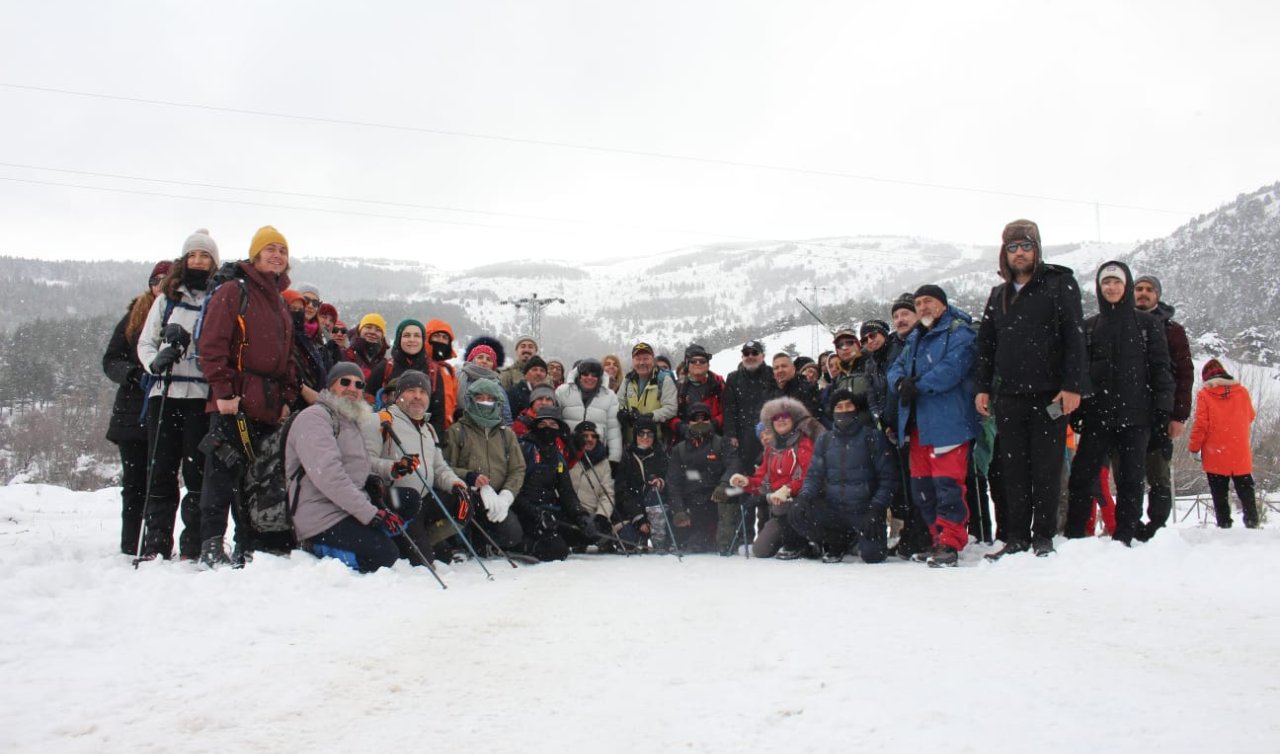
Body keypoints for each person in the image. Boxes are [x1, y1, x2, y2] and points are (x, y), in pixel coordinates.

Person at [975, 219, 1087, 559]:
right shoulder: (999, 295)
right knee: (1014, 470)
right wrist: (982, 388)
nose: (1019, 253)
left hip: (1049, 394)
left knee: (1047, 467)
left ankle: (1043, 537)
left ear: (1037, 249)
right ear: (1003, 254)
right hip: (1008, 397)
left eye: (1026, 246)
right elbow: (986, 346)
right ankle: (1017, 537)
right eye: (1012, 248)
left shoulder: (1059, 284)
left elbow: (1075, 337)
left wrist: (1072, 386)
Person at [196, 225, 299, 567]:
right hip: (233, 402)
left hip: (267, 406)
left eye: (282, 251)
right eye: (269, 249)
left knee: (254, 478)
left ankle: (246, 542)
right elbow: (211, 346)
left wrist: (285, 397)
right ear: (255, 255)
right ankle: (211, 543)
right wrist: (223, 392)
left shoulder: (280, 303)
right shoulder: (233, 291)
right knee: (221, 473)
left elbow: (287, 359)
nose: (276, 255)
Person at [1063, 262, 1173, 545]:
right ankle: (1075, 535)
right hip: (1097, 417)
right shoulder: (1089, 327)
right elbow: (1080, 373)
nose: (1111, 287)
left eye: (1116, 282)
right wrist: (1080, 410)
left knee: (1131, 479)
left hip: (1137, 417)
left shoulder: (1148, 325)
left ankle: (1125, 534)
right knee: (1082, 476)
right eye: (1106, 283)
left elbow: (1162, 370)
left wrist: (1163, 411)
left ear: (1126, 286)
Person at [135, 230, 218, 560]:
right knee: (161, 471)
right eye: (193, 255)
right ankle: (155, 545)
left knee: (197, 474)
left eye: (205, 256)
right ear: (184, 261)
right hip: (165, 392)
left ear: (213, 262)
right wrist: (155, 362)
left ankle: (193, 545)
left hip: (199, 396)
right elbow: (145, 342)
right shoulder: (166, 300)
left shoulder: (218, 299)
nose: (198, 261)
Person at [287, 363, 415, 573]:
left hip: (348, 505)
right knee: (384, 555)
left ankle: (371, 538)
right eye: (344, 382)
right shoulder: (315, 418)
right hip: (321, 514)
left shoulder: (348, 421)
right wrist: (371, 513)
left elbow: (360, 462)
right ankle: (318, 548)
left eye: (359, 384)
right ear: (330, 387)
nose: (352, 388)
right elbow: (329, 476)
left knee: (409, 499)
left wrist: (386, 470)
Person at [887, 285, 980, 566]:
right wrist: (902, 383)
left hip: (948, 422)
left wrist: (918, 385)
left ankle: (951, 542)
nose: (923, 307)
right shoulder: (915, 338)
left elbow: (953, 369)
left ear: (942, 303)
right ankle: (935, 538)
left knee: (947, 485)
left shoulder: (959, 331)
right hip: (917, 426)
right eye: (918, 303)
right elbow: (895, 369)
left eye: (928, 301)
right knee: (923, 488)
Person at [102, 260, 169, 556]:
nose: (162, 286)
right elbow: (110, 360)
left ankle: (154, 544)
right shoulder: (134, 317)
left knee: (160, 482)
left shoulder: (178, 315)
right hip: (132, 413)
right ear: (150, 284)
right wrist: (133, 374)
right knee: (134, 485)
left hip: (167, 410)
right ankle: (130, 545)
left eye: (169, 280)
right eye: (158, 280)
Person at [790, 390, 898, 563]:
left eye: (849, 405)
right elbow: (814, 475)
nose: (844, 410)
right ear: (833, 412)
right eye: (839, 407)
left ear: (856, 409)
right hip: (833, 509)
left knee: (873, 556)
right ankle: (836, 540)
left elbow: (888, 479)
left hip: (864, 510)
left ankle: (858, 538)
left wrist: (876, 508)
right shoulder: (824, 440)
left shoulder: (872, 437)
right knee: (798, 513)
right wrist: (804, 496)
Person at [378, 369, 470, 563]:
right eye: (411, 390)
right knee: (424, 563)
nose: (417, 396)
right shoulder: (382, 420)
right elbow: (366, 461)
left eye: (423, 392)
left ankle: (427, 539)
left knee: (467, 500)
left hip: (425, 500)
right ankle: (409, 542)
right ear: (399, 395)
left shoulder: (427, 428)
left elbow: (438, 467)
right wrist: (394, 467)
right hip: (400, 503)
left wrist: (457, 485)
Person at [1132, 274, 1195, 540]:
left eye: (1149, 290)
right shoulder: (1121, 324)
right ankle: (1130, 526)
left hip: (1161, 411)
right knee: (1127, 473)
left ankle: (1157, 528)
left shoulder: (1173, 330)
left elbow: (1184, 373)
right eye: (1138, 289)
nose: (1143, 293)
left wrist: (1179, 415)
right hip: (1127, 411)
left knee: (1157, 474)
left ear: (1158, 295)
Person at [728, 396, 823, 558]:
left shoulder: (804, 443)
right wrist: (746, 482)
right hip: (780, 504)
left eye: (785, 416)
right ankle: (788, 538)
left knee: (784, 507)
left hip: (804, 503)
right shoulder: (770, 450)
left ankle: (805, 543)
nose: (781, 420)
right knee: (761, 550)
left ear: (793, 420)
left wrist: (786, 489)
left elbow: (808, 476)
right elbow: (763, 482)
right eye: (776, 418)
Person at [443, 378, 526, 552]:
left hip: (496, 497)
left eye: (490, 399)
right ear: (471, 400)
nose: (485, 403)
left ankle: (485, 541)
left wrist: (506, 495)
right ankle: (461, 540)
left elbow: (517, 469)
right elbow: (446, 467)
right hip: (467, 495)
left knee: (512, 534)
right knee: (464, 511)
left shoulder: (506, 434)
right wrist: (470, 478)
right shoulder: (457, 431)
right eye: (480, 398)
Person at [512, 406, 596, 560]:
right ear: (536, 426)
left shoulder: (557, 455)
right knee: (557, 551)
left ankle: (552, 537)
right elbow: (514, 491)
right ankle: (522, 545)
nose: (547, 429)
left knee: (590, 533)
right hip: (525, 513)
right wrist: (536, 513)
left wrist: (580, 515)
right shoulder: (526, 449)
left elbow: (566, 491)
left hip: (549, 513)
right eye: (543, 424)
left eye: (553, 425)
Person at [1188, 359, 1259, 528]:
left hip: (1215, 451)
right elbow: (1251, 415)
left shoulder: (1204, 394)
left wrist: (1194, 447)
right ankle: (1252, 521)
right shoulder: (1241, 391)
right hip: (1239, 450)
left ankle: (1224, 523)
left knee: (1219, 491)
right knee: (1245, 488)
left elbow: (1201, 424)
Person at [665, 402, 740, 553]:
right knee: (676, 528)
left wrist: (724, 484)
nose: (700, 421)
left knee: (733, 496)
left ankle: (721, 540)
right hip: (691, 502)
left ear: (710, 420)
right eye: (695, 418)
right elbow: (673, 482)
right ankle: (694, 538)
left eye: (704, 417)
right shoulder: (679, 450)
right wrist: (678, 509)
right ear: (688, 422)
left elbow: (734, 465)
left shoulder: (722, 443)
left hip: (716, 499)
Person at [614, 415, 671, 551]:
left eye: (650, 434)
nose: (645, 437)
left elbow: (671, 479)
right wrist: (639, 518)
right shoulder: (627, 457)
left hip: (657, 508)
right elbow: (622, 491)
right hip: (633, 511)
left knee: (654, 494)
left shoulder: (661, 455)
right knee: (628, 541)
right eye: (641, 433)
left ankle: (660, 539)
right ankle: (640, 536)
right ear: (635, 435)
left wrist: (661, 482)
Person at [568, 421, 626, 549]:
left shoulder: (603, 462)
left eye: (593, 436)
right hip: (570, 512)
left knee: (596, 528)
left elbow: (607, 493)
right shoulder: (568, 457)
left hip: (591, 514)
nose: (589, 439)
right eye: (585, 436)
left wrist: (602, 516)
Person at [556, 358, 623, 465]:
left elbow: (613, 430)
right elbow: (556, 422)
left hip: (597, 454)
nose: (590, 378)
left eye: (594, 375)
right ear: (579, 375)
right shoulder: (563, 391)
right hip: (568, 452)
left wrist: (614, 459)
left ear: (599, 376)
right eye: (585, 374)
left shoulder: (609, 396)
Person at [619, 342, 678, 445]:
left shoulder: (664, 380)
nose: (642, 362)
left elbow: (671, 408)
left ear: (653, 360)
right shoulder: (627, 380)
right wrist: (625, 414)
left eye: (646, 358)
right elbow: (618, 403)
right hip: (631, 441)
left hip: (654, 441)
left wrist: (651, 416)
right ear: (633, 361)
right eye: (638, 359)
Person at [365, 319, 431, 408]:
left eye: (417, 336)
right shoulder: (385, 367)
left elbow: (438, 412)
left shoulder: (433, 370)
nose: (412, 339)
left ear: (423, 340)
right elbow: (368, 402)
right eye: (406, 335)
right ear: (399, 339)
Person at [281, 291, 329, 412]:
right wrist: (302, 387)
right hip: (289, 404)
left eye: (315, 303)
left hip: (312, 406)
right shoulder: (279, 337)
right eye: (307, 300)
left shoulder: (316, 340)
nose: (311, 306)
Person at [672, 343, 726, 439]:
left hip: (715, 438)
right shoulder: (678, 386)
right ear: (687, 365)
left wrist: (714, 423)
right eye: (693, 361)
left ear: (708, 365)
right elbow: (670, 414)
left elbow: (728, 410)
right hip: (686, 440)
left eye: (702, 361)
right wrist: (681, 427)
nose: (698, 363)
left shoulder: (717, 383)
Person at [457, 336, 512, 424]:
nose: (484, 361)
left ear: (493, 365)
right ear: (472, 360)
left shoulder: (497, 385)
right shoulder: (459, 377)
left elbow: (505, 415)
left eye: (488, 359)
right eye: (480, 357)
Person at [765, 352, 822, 418]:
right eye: (776, 368)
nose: (780, 370)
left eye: (784, 366)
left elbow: (810, 416)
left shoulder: (807, 388)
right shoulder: (768, 390)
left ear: (793, 368)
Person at [346, 313, 389, 383]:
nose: (372, 332)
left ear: (382, 336)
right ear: (359, 330)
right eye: (368, 327)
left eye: (378, 330)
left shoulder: (385, 364)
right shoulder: (346, 355)